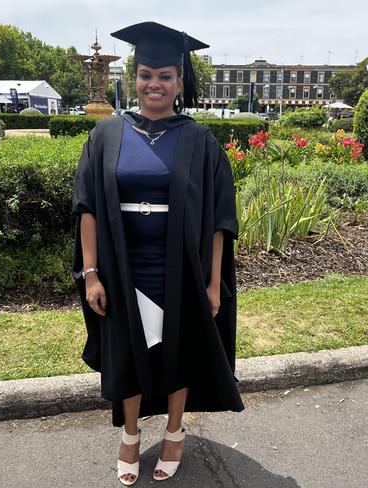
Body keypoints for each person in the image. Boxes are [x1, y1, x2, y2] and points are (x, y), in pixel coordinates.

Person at [71, 21, 244, 486]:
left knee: (178, 354)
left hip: (180, 268)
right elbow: (86, 207)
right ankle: (129, 435)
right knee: (127, 353)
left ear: (179, 82)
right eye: (146, 74)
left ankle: (173, 431)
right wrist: (91, 273)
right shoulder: (106, 135)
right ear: (135, 78)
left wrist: (212, 283)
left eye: (165, 76)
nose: (155, 84)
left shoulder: (199, 140)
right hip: (123, 266)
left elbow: (218, 221)